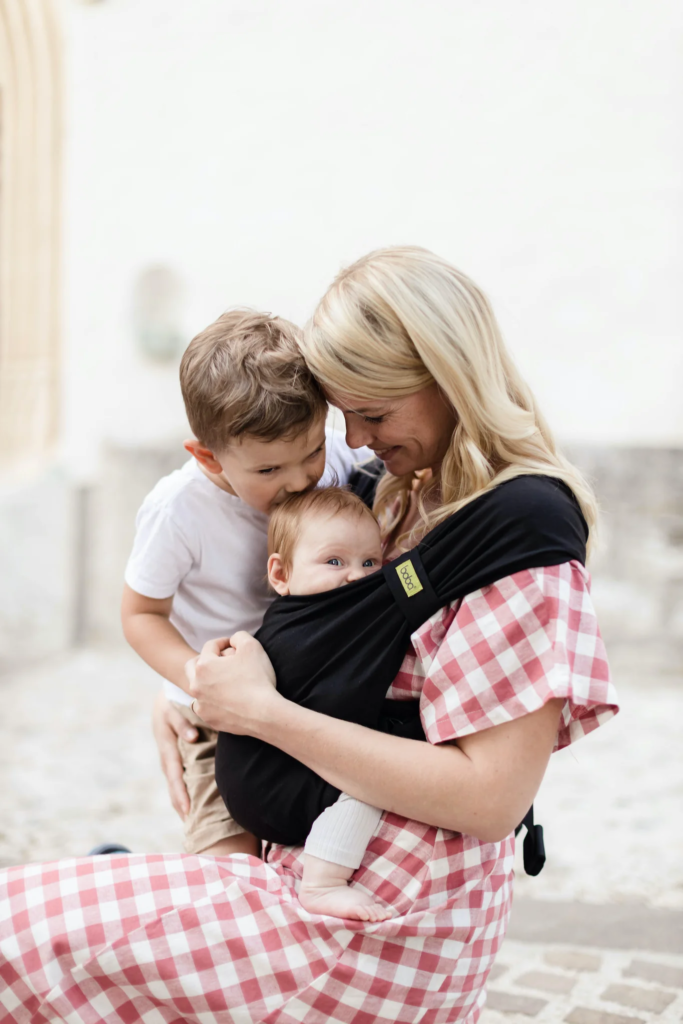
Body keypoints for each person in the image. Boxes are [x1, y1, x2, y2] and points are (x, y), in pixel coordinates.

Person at [0, 248, 618, 1024]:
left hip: (377, 919)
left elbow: (491, 798)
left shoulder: (518, 533)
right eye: (344, 412)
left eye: (374, 412)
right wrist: (187, 689)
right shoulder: (385, 492)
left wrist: (257, 714)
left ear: (447, 376)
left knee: (18, 936)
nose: (352, 439)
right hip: (290, 868)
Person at [121, 308, 370, 860]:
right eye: (268, 471)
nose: (302, 479)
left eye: (312, 451)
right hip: (213, 721)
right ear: (208, 457)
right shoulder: (178, 510)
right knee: (225, 868)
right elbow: (140, 614)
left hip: (309, 699)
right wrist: (197, 676)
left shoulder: (340, 461)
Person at [261, 485, 389, 922]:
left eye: (370, 562)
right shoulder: (306, 626)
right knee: (375, 781)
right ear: (280, 575)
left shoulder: (315, 614)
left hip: (283, 772)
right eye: (334, 561)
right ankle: (322, 884)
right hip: (269, 784)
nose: (356, 576)